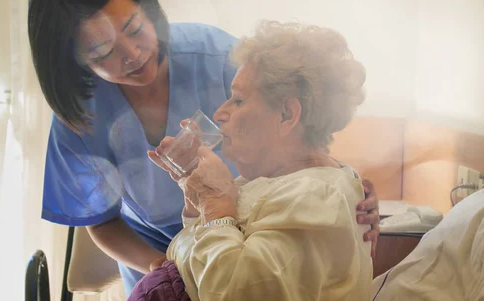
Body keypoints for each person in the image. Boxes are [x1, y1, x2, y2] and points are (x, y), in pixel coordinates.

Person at [27, 0, 380, 294]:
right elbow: (101, 222)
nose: (133, 54)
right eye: (103, 51)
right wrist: (165, 267)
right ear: (76, 63)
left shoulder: (219, 58)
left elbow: (305, 135)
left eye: (135, 28)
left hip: (243, 243)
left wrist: (347, 192)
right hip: (167, 265)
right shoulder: (82, 117)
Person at [142, 20, 372, 301]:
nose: (219, 114)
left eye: (237, 100)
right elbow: (206, 258)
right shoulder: (262, 182)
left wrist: (215, 202)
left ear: (287, 115)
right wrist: (195, 198)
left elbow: (240, 293)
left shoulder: (315, 198)